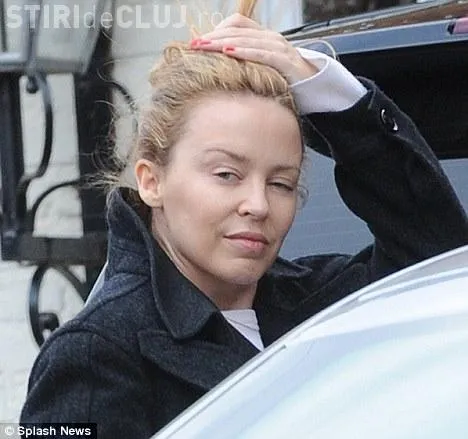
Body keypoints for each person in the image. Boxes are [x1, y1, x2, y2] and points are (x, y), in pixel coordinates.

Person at [20, 1, 468, 438]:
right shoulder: (97, 352)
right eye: (226, 175)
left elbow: (440, 258)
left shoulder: (319, 304)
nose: (258, 204)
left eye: (281, 183)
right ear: (151, 181)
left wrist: (329, 92)